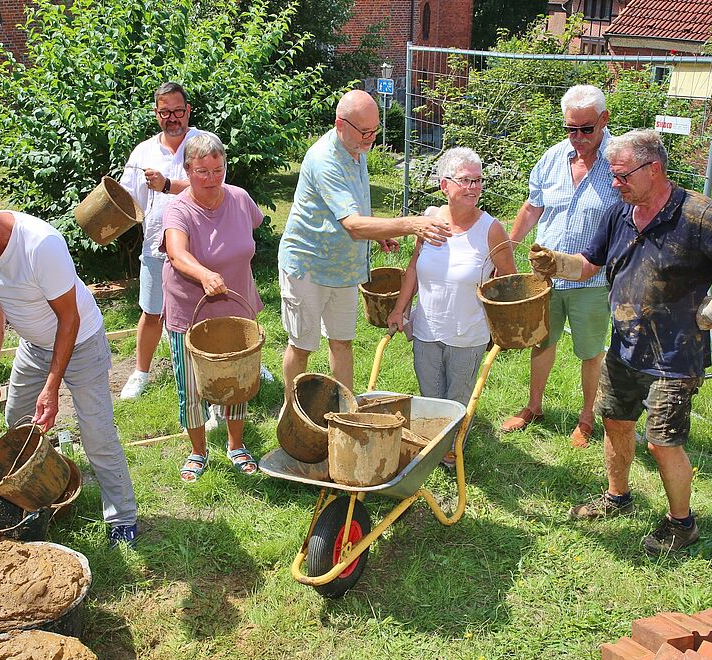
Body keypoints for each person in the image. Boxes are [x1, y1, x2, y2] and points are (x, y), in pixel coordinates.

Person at [532, 129, 712, 554]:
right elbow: (587, 264)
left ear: (655, 169)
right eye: (613, 175)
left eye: (623, 175)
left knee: (663, 441)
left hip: (675, 355)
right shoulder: (619, 214)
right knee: (615, 421)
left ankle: (682, 525)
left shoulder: (699, 214)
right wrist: (556, 262)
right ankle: (617, 497)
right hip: (624, 346)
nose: (615, 183)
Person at [0, 187, 145, 548]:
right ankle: (41, 494)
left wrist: (52, 387)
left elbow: (68, 319)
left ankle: (122, 517)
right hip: (33, 344)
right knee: (17, 422)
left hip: (80, 341)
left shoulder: (40, 244)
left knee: (97, 434)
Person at [278, 89, 451, 400]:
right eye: (365, 132)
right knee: (302, 345)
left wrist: (379, 230)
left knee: (342, 341)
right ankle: (292, 411)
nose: (371, 139)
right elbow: (354, 226)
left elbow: (356, 208)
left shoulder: (356, 148)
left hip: (343, 270)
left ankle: (345, 409)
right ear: (340, 124)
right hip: (307, 266)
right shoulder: (324, 160)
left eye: (375, 130)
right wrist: (410, 224)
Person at [501, 85, 620, 449]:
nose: (578, 138)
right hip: (547, 277)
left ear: (604, 120)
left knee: (590, 350)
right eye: (571, 129)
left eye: (587, 129)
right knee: (542, 341)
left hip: (593, 279)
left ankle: (586, 419)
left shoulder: (620, 160)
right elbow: (533, 207)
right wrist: (506, 252)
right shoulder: (552, 158)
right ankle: (534, 407)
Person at [386, 147, 515, 465]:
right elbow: (414, 266)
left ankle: (449, 451)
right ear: (444, 185)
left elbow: (509, 280)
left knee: (456, 400)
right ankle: (435, 443)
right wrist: (400, 309)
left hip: (468, 333)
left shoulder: (491, 229)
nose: (473, 187)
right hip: (427, 327)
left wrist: (502, 325)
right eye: (465, 180)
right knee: (431, 398)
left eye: (478, 180)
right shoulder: (429, 220)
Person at [159, 133, 265, 482]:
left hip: (236, 308)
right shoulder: (179, 208)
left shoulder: (239, 198)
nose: (211, 178)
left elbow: (253, 228)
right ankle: (198, 450)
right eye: (202, 171)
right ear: (187, 170)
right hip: (191, 311)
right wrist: (204, 274)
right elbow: (176, 253)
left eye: (218, 169)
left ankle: (236, 444)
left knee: (238, 380)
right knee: (191, 386)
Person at [118, 82, 202, 400]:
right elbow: (127, 199)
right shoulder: (144, 151)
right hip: (156, 243)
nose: (172, 118)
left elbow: (213, 187)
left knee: (205, 310)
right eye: (164, 112)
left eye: (178, 111)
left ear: (188, 110)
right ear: (156, 113)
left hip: (198, 245)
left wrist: (167, 185)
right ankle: (141, 374)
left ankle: (221, 361)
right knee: (152, 312)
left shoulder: (203, 144)